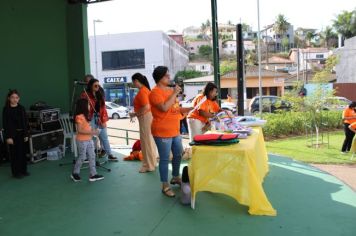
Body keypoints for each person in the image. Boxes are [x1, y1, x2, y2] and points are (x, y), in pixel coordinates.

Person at [149, 66, 192, 197]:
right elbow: (163, 108)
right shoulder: (155, 92)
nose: (169, 77)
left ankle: (175, 177)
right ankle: (165, 185)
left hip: (175, 130)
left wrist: (189, 109)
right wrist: (174, 93)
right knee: (164, 159)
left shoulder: (169, 91)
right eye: (166, 76)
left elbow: (175, 108)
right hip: (162, 131)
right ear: (160, 78)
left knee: (178, 154)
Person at [81, 79, 118, 161]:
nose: (97, 87)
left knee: (104, 137)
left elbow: (103, 108)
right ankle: (88, 156)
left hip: (99, 117)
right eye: (95, 85)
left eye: (98, 85)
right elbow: (83, 108)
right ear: (90, 86)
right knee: (90, 138)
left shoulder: (99, 94)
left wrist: (104, 120)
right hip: (90, 118)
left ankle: (109, 154)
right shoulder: (85, 95)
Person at [129, 73, 157, 173]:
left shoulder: (142, 92)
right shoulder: (146, 90)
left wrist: (134, 114)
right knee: (149, 141)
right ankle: (152, 163)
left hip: (145, 117)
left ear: (136, 81)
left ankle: (148, 165)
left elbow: (146, 107)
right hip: (148, 117)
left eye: (133, 82)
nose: (133, 84)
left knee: (146, 142)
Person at [71, 99, 104, 182]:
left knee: (92, 156)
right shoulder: (79, 117)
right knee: (82, 157)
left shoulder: (86, 116)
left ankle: (93, 174)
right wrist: (92, 132)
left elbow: (87, 128)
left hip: (89, 140)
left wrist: (93, 130)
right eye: (88, 105)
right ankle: (75, 173)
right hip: (82, 141)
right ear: (84, 106)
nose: (90, 106)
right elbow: (79, 130)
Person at [2, 90, 29, 178]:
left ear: (19, 98)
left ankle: (23, 170)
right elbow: (5, 124)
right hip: (12, 135)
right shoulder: (6, 109)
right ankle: (16, 173)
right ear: (9, 98)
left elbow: (25, 122)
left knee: (22, 153)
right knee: (14, 154)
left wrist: (26, 134)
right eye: (13, 97)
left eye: (16, 98)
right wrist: (8, 137)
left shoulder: (21, 108)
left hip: (22, 134)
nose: (15, 99)